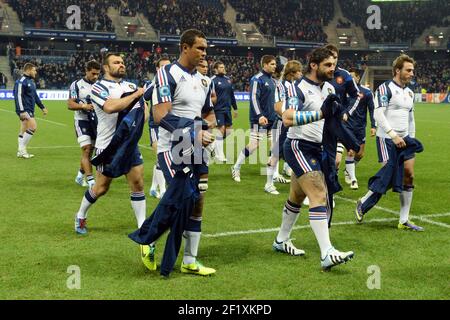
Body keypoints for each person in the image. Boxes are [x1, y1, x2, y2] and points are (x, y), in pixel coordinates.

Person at [140, 29, 217, 276]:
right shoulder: (166, 73)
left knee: (197, 201)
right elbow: (160, 115)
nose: (204, 53)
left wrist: (207, 126)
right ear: (185, 47)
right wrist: (194, 130)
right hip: (172, 147)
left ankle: (190, 260)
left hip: (196, 146)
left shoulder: (205, 80)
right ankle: (148, 238)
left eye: (206, 49)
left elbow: (208, 113)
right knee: (182, 198)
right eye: (200, 48)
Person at [274, 47, 354, 271]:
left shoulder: (329, 88)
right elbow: (288, 118)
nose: (333, 69)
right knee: (319, 193)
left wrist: (342, 143)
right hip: (299, 146)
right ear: (314, 65)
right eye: (328, 65)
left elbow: (333, 120)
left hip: (320, 148)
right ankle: (327, 252)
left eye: (334, 65)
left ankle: (281, 240)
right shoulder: (297, 87)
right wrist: (320, 114)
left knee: (297, 196)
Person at [73, 53, 146, 237]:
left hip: (129, 145)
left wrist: (139, 119)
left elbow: (144, 110)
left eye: (122, 62)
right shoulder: (98, 87)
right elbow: (110, 107)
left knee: (137, 184)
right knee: (101, 188)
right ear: (106, 67)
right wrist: (137, 94)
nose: (121, 65)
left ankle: (143, 227)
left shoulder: (130, 85)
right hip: (108, 147)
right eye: (116, 62)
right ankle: (81, 214)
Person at [355, 54, 424, 231]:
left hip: (405, 139)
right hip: (387, 138)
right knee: (391, 175)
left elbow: (411, 117)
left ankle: (404, 220)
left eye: (413, 70)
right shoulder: (385, 88)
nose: (411, 73)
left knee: (409, 174)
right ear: (397, 70)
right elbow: (378, 114)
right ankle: (363, 202)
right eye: (408, 70)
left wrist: (411, 138)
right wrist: (393, 135)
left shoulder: (409, 92)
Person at [231, 55, 278, 196]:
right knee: (254, 146)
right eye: (272, 64)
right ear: (264, 64)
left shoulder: (273, 81)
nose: (275, 66)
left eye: (275, 64)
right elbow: (253, 98)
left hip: (273, 119)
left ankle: (273, 175)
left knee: (275, 147)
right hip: (260, 119)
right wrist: (259, 116)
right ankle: (236, 167)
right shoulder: (256, 79)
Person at [323, 44, 360, 190]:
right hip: (317, 124)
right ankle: (318, 189)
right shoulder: (318, 75)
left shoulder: (344, 75)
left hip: (336, 124)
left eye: (335, 57)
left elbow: (356, 96)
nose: (333, 60)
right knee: (319, 159)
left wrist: (347, 112)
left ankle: (330, 187)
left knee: (336, 161)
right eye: (329, 57)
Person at [68, 60, 101, 188]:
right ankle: (91, 181)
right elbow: (70, 104)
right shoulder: (76, 85)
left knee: (90, 151)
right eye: (93, 73)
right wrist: (83, 106)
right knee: (87, 149)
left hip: (97, 122)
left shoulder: (100, 85)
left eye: (98, 74)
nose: (95, 77)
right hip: (81, 121)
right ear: (86, 71)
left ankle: (80, 176)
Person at [342, 68, 377, 190]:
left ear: (358, 77)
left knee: (360, 154)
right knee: (351, 151)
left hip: (360, 127)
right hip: (346, 126)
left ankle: (348, 168)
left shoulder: (366, 92)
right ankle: (352, 178)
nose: (350, 79)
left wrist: (373, 126)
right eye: (348, 77)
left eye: (352, 77)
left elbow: (372, 110)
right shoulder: (343, 90)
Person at [147, 56, 171, 199]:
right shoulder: (153, 83)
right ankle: (162, 191)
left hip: (169, 125)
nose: (166, 69)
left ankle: (152, 188)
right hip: (155, 126)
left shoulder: (172, 82)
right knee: (160, 157)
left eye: (168, 66)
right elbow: (145, 96)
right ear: (157, 69)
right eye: (163, 67)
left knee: (163, 158)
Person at [14, 63, 48, 159]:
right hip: (25, 109)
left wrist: (42, 107)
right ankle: (22, 149)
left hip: (29, 108)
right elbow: (18, 96)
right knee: (33, 126)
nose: (35, 72)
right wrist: (21, 111)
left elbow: (35, 96)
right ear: (28, 70)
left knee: (23, 129)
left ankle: (20, 151)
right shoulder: (21, 81)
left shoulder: (31, 82)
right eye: (34, 70)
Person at [211, 61, 238, 162]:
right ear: (216, 69)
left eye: (223, 67)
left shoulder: (228, 80)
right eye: (221, 67)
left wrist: (235, 108)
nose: (223, 69)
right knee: (221, 130)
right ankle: (220, 155)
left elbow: (232, 95)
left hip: (227, 109)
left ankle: (213, 145)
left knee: (229, 131)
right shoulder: (212, 81)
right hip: (218, 110)